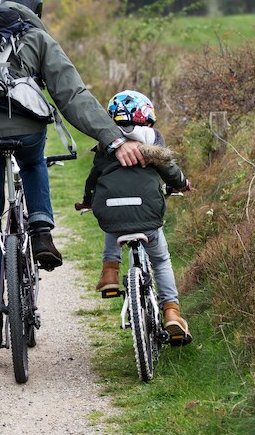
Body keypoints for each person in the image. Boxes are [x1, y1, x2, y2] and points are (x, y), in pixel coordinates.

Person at [0, 0, 146, 349]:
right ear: (36, 12)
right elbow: (72, 96)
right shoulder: (36, 37)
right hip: (23, 130)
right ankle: (41, 228)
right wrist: (114, 138)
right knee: (33, 158)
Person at [74, 90, 194, 346]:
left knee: (113, 223)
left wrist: (88, 200)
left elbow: (93, 178)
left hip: (111, 210)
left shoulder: (107, 145)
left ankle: (110, 274)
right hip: (148, 213)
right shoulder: (152, 141)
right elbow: (170, 170)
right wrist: (183, 184)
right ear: (148, 117)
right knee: (160, 260)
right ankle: (171, 311)